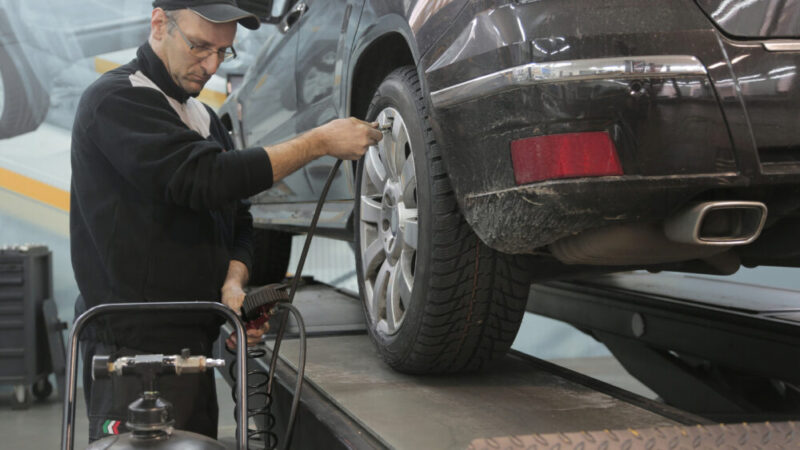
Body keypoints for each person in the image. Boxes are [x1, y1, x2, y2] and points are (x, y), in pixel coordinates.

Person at [70, 0, 382, 442]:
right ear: (159, 24)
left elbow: (238, 216)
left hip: (193, 346)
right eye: (200, 47)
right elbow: (204, 178)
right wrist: (318, 141)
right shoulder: (117, 99)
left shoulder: (204, 118)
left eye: (224, 52)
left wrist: (233, 283)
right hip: (133, 355)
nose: (211, 64)